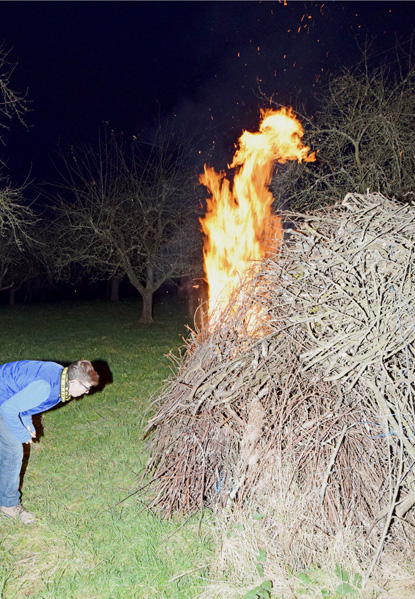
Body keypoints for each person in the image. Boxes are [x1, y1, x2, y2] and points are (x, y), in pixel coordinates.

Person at [0, 359, 99, 524]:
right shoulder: (46, 388)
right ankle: (8, 505)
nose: (86, 392)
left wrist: (27, 424)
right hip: (3, 402)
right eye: (86, 388)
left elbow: (23, 396)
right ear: (74, 382)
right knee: (13, 452)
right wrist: (22, 434)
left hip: (7, 397)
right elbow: (8, 409)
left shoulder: (59, 374)